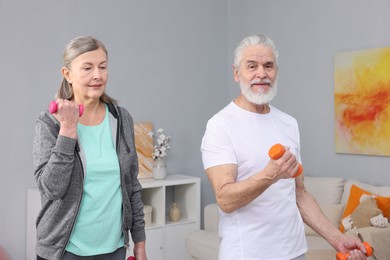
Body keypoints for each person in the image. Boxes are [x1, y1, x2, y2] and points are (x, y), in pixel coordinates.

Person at [201, 34, 368, 260]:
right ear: (236, 73)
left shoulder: (288, 123)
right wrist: (271, 174)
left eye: (268, 66)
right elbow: (225, 199)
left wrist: (337, 239)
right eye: (252, 66)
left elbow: (299, 194)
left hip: (294, 252)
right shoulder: (220, 125)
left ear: (276, 72)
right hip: (247, 254)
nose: (261, 73)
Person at [33, 36, 147, 260]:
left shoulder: (121, 119)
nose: (97, 75)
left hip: (113, 249)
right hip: (63, 251)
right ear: (67, 74)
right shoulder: (49, 122)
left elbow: (131, 185)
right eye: (87, 68)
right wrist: (67, 129)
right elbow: (51, 189)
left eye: (102, 67)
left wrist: (140, 243)